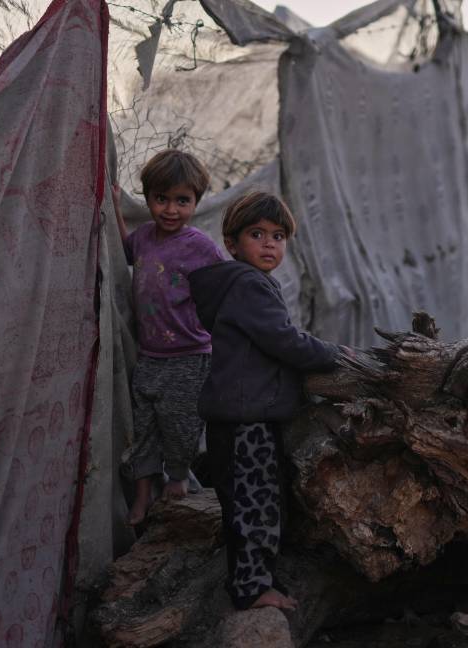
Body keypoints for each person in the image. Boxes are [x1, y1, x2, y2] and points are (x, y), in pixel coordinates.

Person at [189, 192, 344, 611]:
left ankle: (251, 578)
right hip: (246, 419)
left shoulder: (243, 284)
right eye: (257, 234)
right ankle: (252, 588)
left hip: (238, 416)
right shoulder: (249, 285)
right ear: (232, 242)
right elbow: (284, 340)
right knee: (255, 503)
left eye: (278, 236)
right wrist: (334, 356)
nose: (270, 243)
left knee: (244, 500)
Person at [112, 149, 226, 526]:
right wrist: (113, 207)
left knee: (180, 428)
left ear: (196, 201)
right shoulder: (143, 237)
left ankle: (177, 482)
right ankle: (143, 497)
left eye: (182, 201)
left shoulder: (201, 247)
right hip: (150, 356)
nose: (171, 210)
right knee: (144, 429)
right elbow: (121, 251)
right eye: (161, 199)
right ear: (148, 199)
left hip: (189, 356)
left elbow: (224, 289)